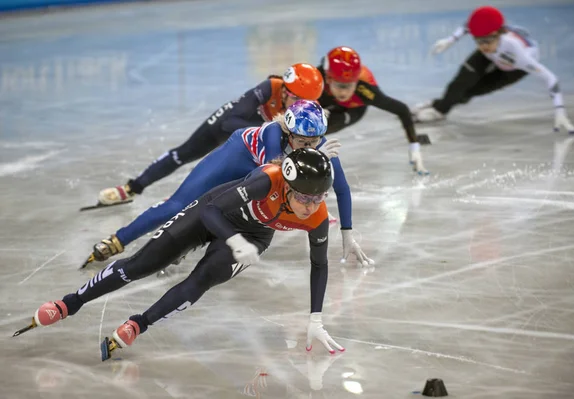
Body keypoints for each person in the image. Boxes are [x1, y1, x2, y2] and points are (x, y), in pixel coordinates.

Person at [14, 148, 346, 361]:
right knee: (142, 265)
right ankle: (69, 303)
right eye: (304, 198)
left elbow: (320, 264)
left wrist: (315, 317)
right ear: (287, 185)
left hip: (254, 236)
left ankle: (138, 324)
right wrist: (233, 240)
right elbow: (212, 212)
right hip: (215, 213)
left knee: (202, 279)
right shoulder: (266, 182)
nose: (311, 206)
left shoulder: (316, 217)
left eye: (318, 199)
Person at [86, 100, 372, 268]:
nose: (308, 147)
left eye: (313, 142)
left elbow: (342, 188)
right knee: (178, 205)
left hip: (257, 170)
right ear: (287, 130)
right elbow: (268, 174)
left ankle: (182, 245)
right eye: (301, 141)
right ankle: (118, 240)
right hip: (234, 158)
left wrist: (347, 233)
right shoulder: (275, 133)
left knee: (224, 213)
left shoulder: (320, 146)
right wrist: (317, 156)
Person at [98, 63, 324, 206]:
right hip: (228, 128)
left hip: (250, 140)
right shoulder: (269, 88)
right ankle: (132, 188)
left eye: (307, 102)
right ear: (284, 90)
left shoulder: (303, 112)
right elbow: (230, 123)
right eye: (296, 99)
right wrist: (271, 127)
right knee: (183, 154)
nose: (300, 105)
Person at [411, 6, 574, 135]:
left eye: (487, 40)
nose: (483, 46)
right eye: (478, 41)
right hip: (494, 56)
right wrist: (450, 40)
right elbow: (469, 26)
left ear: (499, 34)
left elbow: (551, 78)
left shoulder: (520, 54)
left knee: (472, 91)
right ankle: (440, 110)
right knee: (460, 82)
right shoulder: (486, 39)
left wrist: (559, 109)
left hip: (513, 69)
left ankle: (437, 104)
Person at [316, 46, 429, 175]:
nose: (344, 92)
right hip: (324, 99)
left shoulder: (365, 90)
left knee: (329, 122)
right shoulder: (317, 78)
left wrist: (414, 147)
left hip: (354, 109)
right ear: (329, 79)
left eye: (349, 85)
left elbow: (402, 110)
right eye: (340, 85)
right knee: (309, 117)